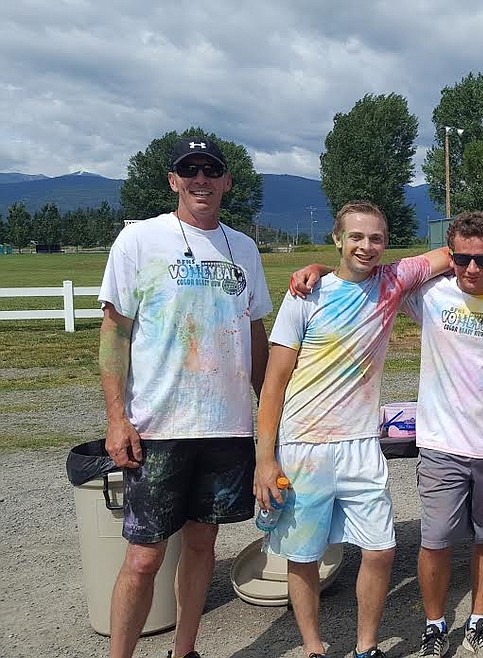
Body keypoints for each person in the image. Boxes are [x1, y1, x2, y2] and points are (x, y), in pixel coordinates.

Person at [289, 210, 483, 658]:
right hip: (440, 446)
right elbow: (367, 273)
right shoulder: (431, 294)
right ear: (450, 256)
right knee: (434, 542)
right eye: (462, 259)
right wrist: (317, 268)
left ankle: (478, 620)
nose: (471, 269)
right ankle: (435, 625)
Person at [98, 134, 272, 658]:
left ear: (226, 182)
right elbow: (114, 333)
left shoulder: (243, 248)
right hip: (158, 426)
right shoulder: (139, 242)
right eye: (189, 170)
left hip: (226, 426)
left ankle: (185, 650)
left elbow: (256, 332)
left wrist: (271, 411)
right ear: (173, 180)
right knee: (144, 557)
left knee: (202, 544)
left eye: (210, 170)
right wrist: (116, 418)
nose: (201, 179)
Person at [255, 202, 454, 658]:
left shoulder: (393, 280)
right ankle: (313, 648)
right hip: (304, 444)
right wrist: (264, 460)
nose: (366, 246)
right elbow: (273, 384)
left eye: (377, 238)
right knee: (304, 555)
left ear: (387, 242)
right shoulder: (307, 295)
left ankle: (367, 647)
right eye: (356, 237)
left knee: (381, 550)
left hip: (362, 443)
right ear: (337, 239)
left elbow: (456, 252)